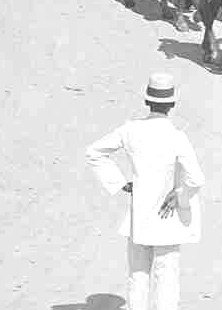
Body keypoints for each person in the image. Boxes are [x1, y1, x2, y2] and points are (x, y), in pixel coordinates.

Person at [86, 72, 204, 310]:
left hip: (138, 215)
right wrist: (179, 195)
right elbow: (196, 179)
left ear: (147, 101)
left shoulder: (129, 130)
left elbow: (95, 152)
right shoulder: (177, 137)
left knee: (137, 275)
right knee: (166, 276)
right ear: (172, 104)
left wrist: (120, 183)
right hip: (167, 217)